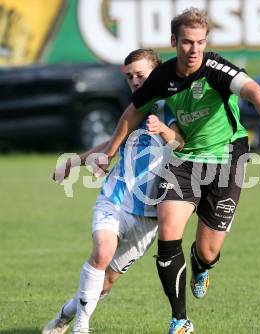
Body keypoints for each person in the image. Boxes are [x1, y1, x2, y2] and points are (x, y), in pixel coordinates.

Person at [98, 8, 260, 333]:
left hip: (228, 158)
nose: (194, 50)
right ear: (174, 41)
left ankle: (202, 265)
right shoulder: (162, 77)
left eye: (200, 42)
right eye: (187, 42)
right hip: (185, 158)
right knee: (168, 228)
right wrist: (109, 152)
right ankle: (179, 319)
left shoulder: (217, 69)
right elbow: (132, 113)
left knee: (207, 250)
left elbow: (255, 92)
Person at [42, 49, 184, 334]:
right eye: (129, 76)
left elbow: (181, 142)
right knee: (102, 251)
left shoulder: (172, 105)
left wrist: (165, 132)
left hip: (149, 217)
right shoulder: (132, 108)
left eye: (140, 75)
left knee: (105, 283)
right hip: (116, 198)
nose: (134, 81)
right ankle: (82, 326)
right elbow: (111, 144)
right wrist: (75, 161)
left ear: (156, 73)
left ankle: (66, 314)